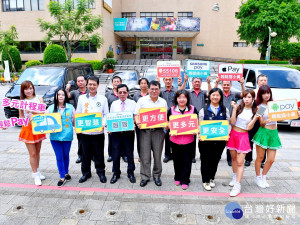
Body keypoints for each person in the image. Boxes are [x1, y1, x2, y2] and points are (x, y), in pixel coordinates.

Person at [76, 76, 109, 183]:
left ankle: (101, 172)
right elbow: (78, 113)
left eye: (94, 84)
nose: (92, 86)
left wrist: (102, 124)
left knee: (99, 154)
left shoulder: (103, 99)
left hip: (98, 133)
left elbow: (106, 115)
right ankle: (86, 173)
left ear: (98, 86)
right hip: (85, 133)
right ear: (87, 84)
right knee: (85, 154)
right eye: (90, 84)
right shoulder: (82, 98)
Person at [135, 80, 168, 187]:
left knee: (158, 155)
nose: (154, 91)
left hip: (158, 132)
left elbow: (165, 117)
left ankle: (157, 175)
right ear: (148, 89)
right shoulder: (142, 100)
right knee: (145, 155)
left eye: (156, 89)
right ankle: (145, 176)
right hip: (145, 132)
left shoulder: (163, 102)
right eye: (152, 89)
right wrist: (138, 121)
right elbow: (136, 115)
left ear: (159, 90)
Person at [227, 89, 258, 196]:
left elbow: (249, 128)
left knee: (240, 162)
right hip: (233, 134)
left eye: (249, 97)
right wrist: (234, 109)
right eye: (245, 97)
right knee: (234, 159)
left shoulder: (254, 111)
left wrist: (256, 117)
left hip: (243, 137)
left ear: (253, 99)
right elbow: (232, 122)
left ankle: (237, 185)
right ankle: (235, 176)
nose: (247, 99)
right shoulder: (239, 107)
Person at [198, 88, 230, 191]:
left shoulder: (225, 110)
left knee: (215, 160)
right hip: (206, 142)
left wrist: (227, 133)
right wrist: (200, 133)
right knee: (205, 160)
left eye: (217, 95)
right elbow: (200, 125)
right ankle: (205, 180)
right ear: (209, 96)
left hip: (220, 141)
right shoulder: (203, 110)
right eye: (213, 95)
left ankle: (212, 178)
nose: (215, 97)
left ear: (220, 97)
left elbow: (228, 124)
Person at [167, 90, 198, 190]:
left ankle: (185, 179)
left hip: (189, 141)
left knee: (187, 161)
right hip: (175, 141)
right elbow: (167, 123)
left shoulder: (193, 109)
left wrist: (196, 130)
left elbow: (197, 123)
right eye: (179, 97)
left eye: (184, 97)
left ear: (187, 99)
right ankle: (177, 177)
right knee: (176, 160)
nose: (181, 99)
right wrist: (170, 128)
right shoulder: (171, 110)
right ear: (176, 99)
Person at [252, 85, 281, 189]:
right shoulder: (260, 107)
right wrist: (265, 121)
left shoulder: (274, 104)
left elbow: (281, 117)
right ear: (261, 94)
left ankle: (264, 177)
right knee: (260, 158)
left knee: (271, 159)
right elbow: (261, 123)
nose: (266, 95)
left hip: (274, 133)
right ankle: (257, 177)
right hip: (264, 132)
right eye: (264, 93)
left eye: (268, 93)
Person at [18, 81, 46, 186]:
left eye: (30, 88)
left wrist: (32, 111)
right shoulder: (21, 102)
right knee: (32, 153)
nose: (28, 91)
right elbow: (21, 118)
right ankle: (35, 175)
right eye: (26, 89)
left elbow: (43, 113)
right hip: (28, 128)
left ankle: (38, 172)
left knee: (38, 152)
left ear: (33, 88)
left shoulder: (39, 99)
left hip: (38, 127)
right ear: (23, 91)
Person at [214, 77, 247, 166]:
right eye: (224, 84)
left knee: (230, 139)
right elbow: (212, 94)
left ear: (231, 85)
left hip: (231, 121)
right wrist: (216, 83)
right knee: (219, 139)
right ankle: (217, 156)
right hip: (220, 119)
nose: (226, 86)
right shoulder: (219, 94)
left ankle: (229, 159)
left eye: (228, 85)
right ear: (222, 85)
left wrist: (241, 84)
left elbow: (244, 95)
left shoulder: (234, 94)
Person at [46, 88, 75, 187]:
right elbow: (44, 121)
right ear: (55, 96)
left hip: (67, 136)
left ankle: (66, 173)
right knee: (59, 156)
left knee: (66, 155)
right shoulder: (50, 108)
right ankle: (62, 176)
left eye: (63, 95)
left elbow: (74, 121)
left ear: (65, 96)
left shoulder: (71, 107)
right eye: (59, 95)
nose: (61, 96)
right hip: (55, 137)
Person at [109, 84, 137, 184]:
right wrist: (109, 127)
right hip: (116, 133)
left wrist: (134, 123)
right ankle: (116, 173)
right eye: (120, 92)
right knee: (115, 154)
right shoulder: (114, 104)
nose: (122, 94)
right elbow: (111, 118)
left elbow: (135, 117)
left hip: (128, 133)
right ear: (117, 93)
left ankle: (131, 172)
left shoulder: (133, 103)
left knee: (129, 153)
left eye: (124, 92)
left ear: (128, 93)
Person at [159, 75, 187, 163]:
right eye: (166, 79)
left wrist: (182, 83)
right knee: (166, 135)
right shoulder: (161, 91)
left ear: (172, 80)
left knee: (176, 134)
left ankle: (175, 154)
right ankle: (167, 154)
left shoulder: (176, 90)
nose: (168, 81)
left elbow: (182, 95)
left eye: (169, 79)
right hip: (164, 116)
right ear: (163, 80)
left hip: (175, 114)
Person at [189, 76, 213, 163]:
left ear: (201, 83)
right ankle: (192, 156)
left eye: (198, 82)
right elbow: (180, 92)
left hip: (203, 118)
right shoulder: (189, 93)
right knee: (192, 138)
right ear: (192, 83)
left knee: (202, 137)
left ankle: (203, 155)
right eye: (195, 81)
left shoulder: (204, 93)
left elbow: (211, 94)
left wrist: (209, 83)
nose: (197, 83)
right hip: (191, 117)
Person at [66, 75, 88, 164]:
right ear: (76, 83)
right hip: (79, 118)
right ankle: (80, 155)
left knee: (91, 138)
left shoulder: (89, 91)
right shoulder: (75, 92)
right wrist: (67, 89)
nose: (80, 83)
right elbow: (67, 96)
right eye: (78, 81)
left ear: (86, 81)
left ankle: (92, 155)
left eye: (82, 81)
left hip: (89, 117)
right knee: (80, 138)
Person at [105, 76, 127, 163]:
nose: (116, 83)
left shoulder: (123, 93)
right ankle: (111, 154)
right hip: (112, 120)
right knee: (111, 138)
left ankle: (124, 154)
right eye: (115, 81)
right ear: (112, 83)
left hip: (122, 120)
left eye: (118, 81)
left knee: (123, 138)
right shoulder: (108, 94)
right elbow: (106, 108)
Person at [251, 74, 268, 169]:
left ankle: (262, 160)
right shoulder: (253, 93)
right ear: (257, 82)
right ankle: (248, 159)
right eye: (261, 80)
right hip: (254, 120)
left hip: (265, 121)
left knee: (263, 141)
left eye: (265, 80)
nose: (263, 82)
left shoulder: (269, 93)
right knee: (250, 139)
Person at [133, 78, 149, 161]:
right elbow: (134, 108)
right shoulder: (136, 95)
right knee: (139, 138)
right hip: (139, 120)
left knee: (147, 138)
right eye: (141, 83)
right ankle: (140, 155)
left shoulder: (150, 94)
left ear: (147, 84)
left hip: (149, 120)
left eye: (145, 83)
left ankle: (147, 154)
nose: (143, 85)